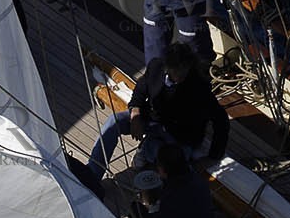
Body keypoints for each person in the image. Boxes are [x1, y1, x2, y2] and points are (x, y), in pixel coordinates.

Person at [85, 41, 229, 191]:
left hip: (179, 137)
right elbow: (141, 89)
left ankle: (146, 172)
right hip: (152, 119)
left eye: (184, 69)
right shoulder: (156, 68)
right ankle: (92, 176)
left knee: (166, 165)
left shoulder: (199, 88)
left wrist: (213, 157)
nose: (180, 74)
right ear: (167, 67)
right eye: (176, 70)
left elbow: (221, 121)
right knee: (113, 122)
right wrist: (135, 113)